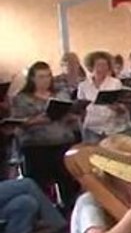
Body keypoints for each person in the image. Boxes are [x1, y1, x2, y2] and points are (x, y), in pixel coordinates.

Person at [10, 61, 81, 205]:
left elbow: (69, 117)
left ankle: (69, 211)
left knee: (68, 183)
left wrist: (71, 116)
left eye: (48, 76)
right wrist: (40, 119)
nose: (46, 80)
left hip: (63, 143)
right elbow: (18, 123)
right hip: (37, 147)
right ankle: (44, 213)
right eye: (41, 77)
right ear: (32, 79)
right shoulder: (22, 98)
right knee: (39, 186)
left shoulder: (60, 94)